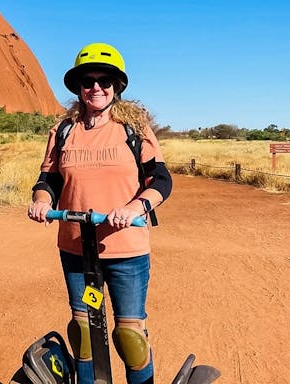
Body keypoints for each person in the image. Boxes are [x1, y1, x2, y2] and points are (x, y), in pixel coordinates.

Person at [27, 42, 172, 384]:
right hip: (76, 247)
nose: (96, 88)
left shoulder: (134, 130)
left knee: (130, 337)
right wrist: (42, 201)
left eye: (104, 81)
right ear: (78, 87)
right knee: (83, 331)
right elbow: (48, 178)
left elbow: (161, 179)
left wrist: (136, 207)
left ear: (116, 87)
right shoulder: (63, 132)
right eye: (88, 81)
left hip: (126, 249)